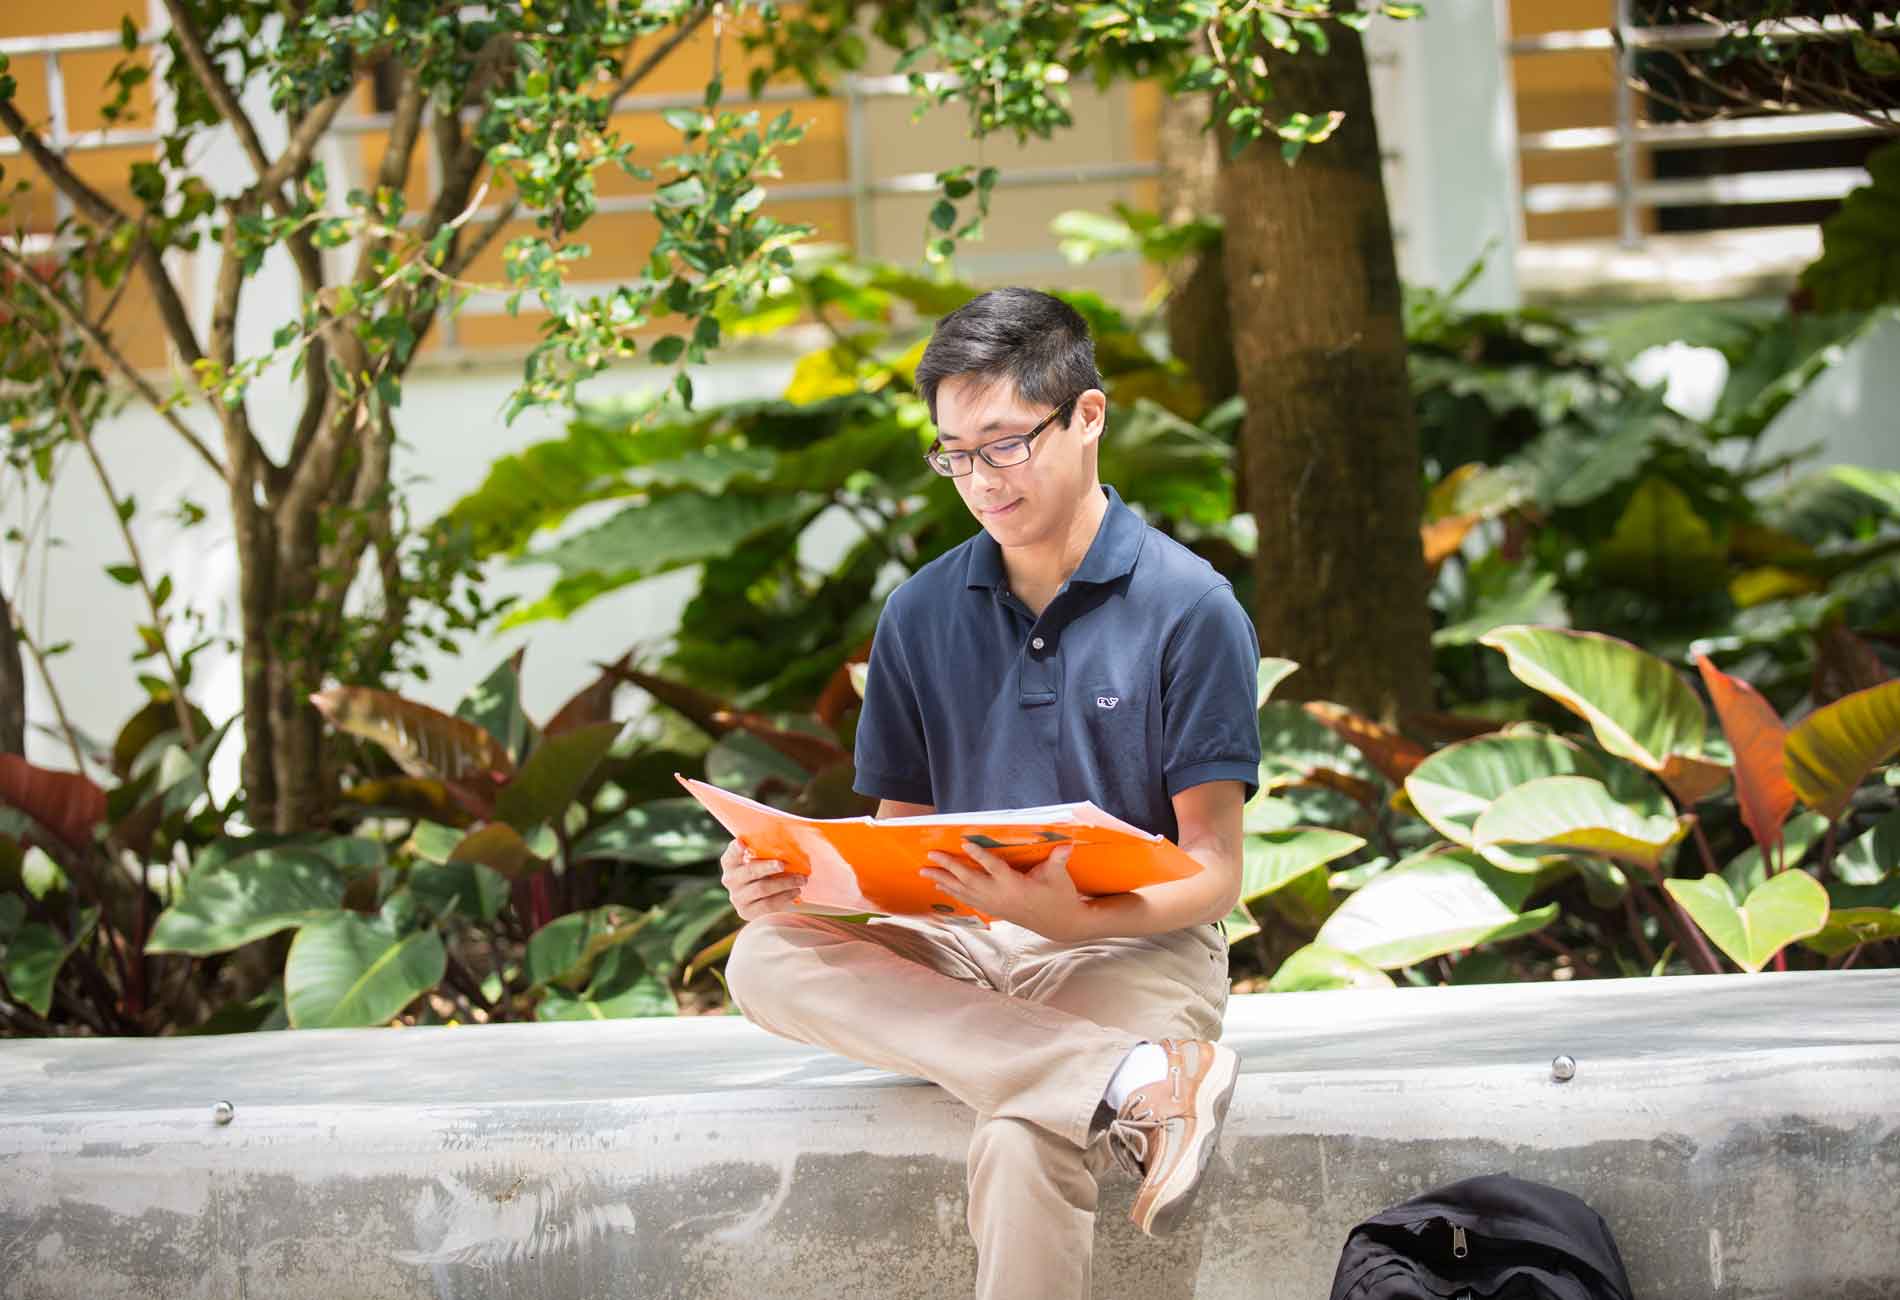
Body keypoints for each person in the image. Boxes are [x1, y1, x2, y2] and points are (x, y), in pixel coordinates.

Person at [720, 286, 1262, 1297]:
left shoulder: (1191, 608)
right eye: (954, 453)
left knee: (1021, 1136)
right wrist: (797, 880)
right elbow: (901, 853)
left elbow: (1215, 871)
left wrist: (1073, 913)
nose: (978, 479)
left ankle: (1094, 1070)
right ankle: (1130, 1081)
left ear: (1087, 416)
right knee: (763, 955)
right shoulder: (921, 612)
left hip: (1130, 940)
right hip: (964, 941)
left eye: (1005, 444)